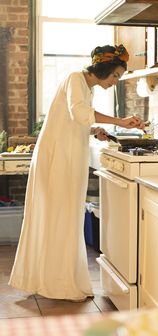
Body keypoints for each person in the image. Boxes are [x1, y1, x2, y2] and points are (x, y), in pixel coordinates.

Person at [8, 44, 145, 301]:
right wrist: (119, 120)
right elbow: (79, 113)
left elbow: (75, 120)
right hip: (58, 158)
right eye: (115, 75)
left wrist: (95, 131)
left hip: (67, 156)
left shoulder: (85, 86)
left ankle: (56, 279)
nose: (115, 82)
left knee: (65, 217)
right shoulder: (75, 78)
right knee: (60, 215)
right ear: (103, 67)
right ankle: (56, 282)